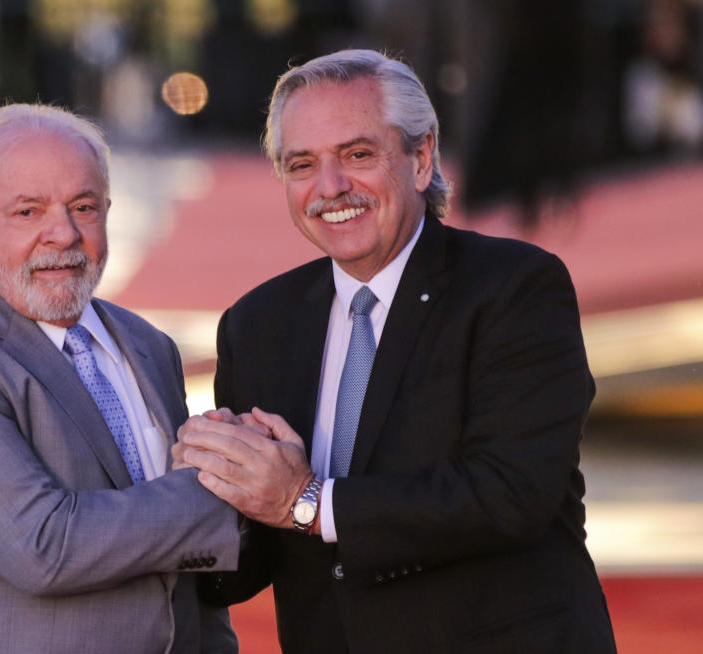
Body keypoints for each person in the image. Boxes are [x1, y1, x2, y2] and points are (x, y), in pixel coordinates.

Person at [173, 50, 617, 653]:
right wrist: (204, 497)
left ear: (420, 157)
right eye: (302, 164)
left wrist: (307, 501)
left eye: (357, 154)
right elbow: (250, 561)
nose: (330, 188)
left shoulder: (514, 288)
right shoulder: (256, 325)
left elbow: (510, 495)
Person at [0, 104, 241, 654]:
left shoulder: (148, 347)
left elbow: (184, 577)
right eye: (27, 212)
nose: (62, 234)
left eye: (83, 207)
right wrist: (231, 489)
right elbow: (44, 546)